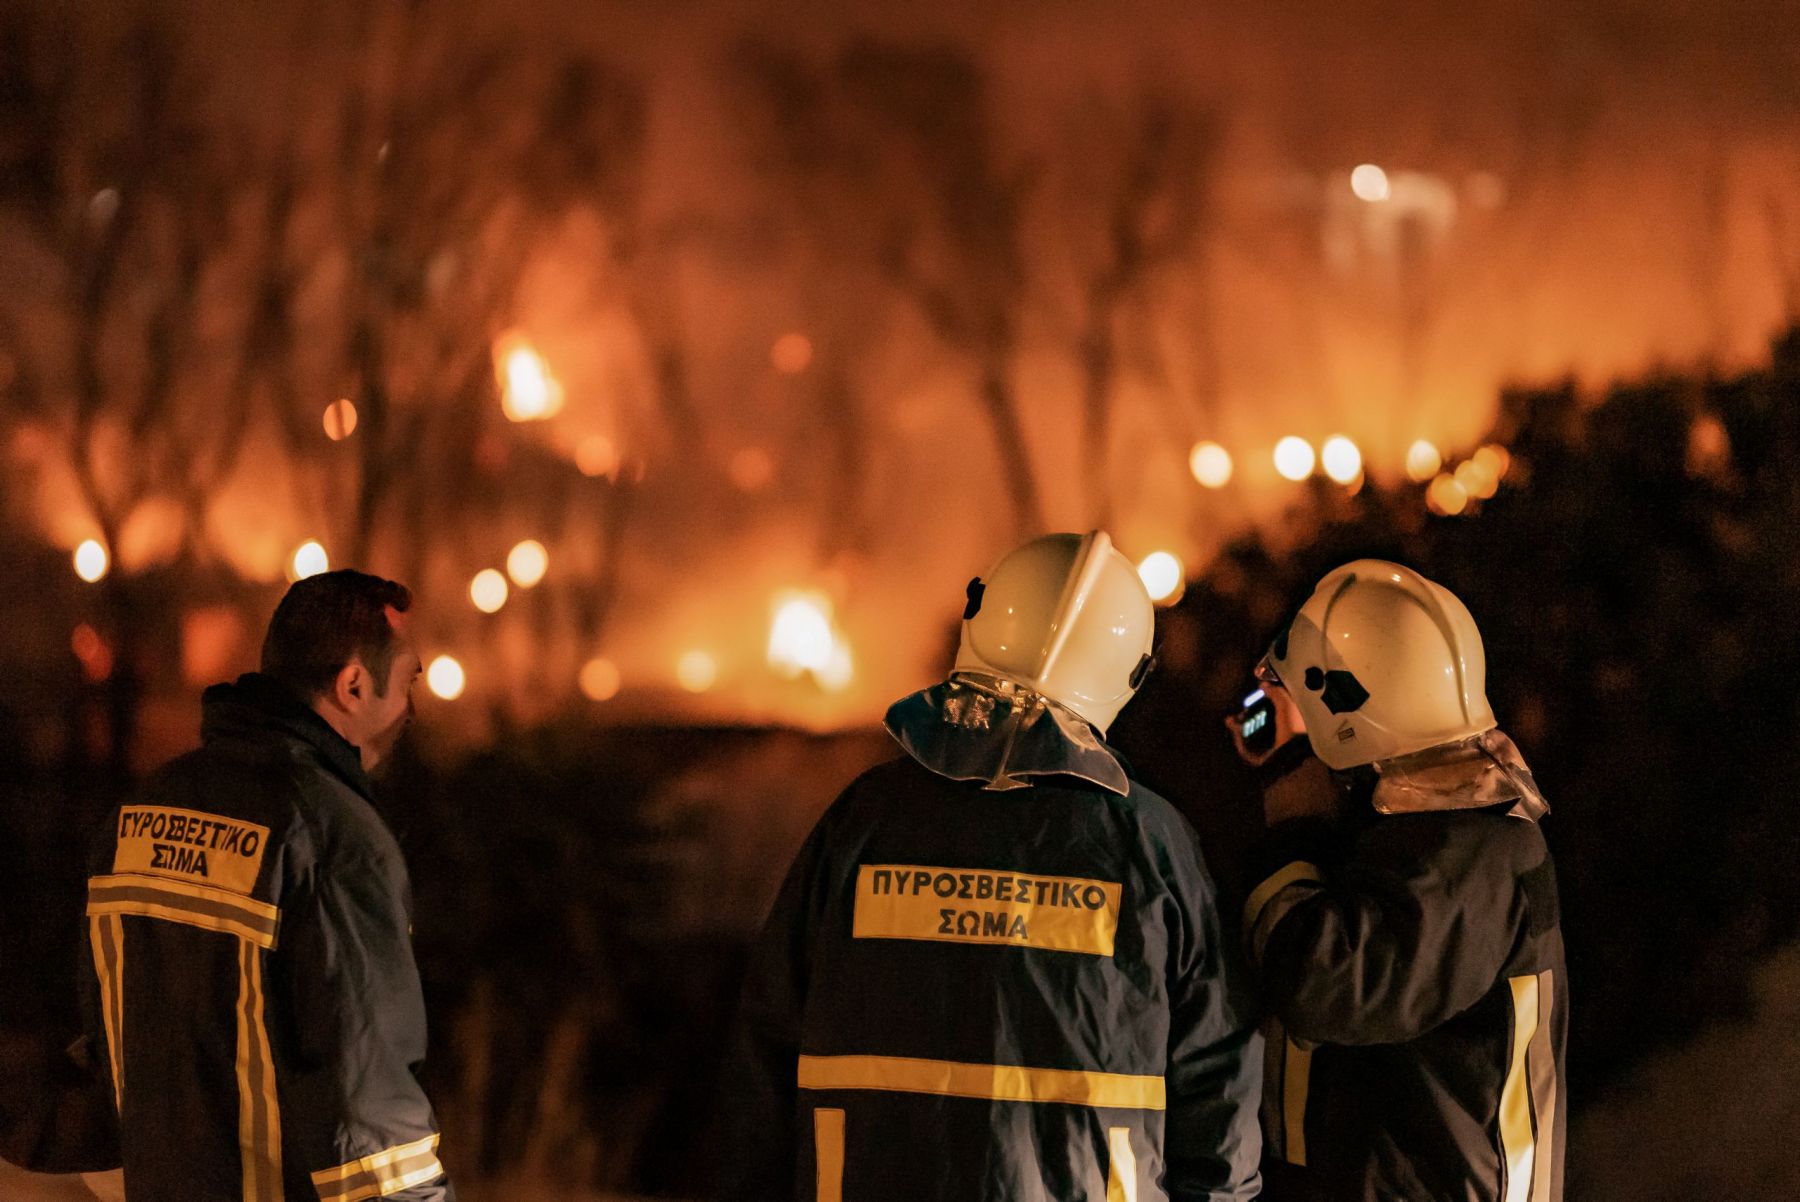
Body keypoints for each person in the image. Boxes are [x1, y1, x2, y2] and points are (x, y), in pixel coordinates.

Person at [720, 531, 1262, 1202]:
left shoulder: (863, 822)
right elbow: (1219, 1083)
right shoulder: (1151, 845)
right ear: (1129, 674)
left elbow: (763, 1057)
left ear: (979, 617)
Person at [80, 569, 453, 1202]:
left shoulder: (139, 813)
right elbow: (365, 1100)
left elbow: (102, 1049)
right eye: (409, 679)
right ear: (355, 683)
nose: (413, 707)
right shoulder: (336, 837)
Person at [1231, 560, 1566, 1202]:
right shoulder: (1424, 829)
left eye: (1303, 700)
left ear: (1346, 706)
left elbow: (1324, 984)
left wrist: (1291, 838)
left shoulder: (1476, 852)